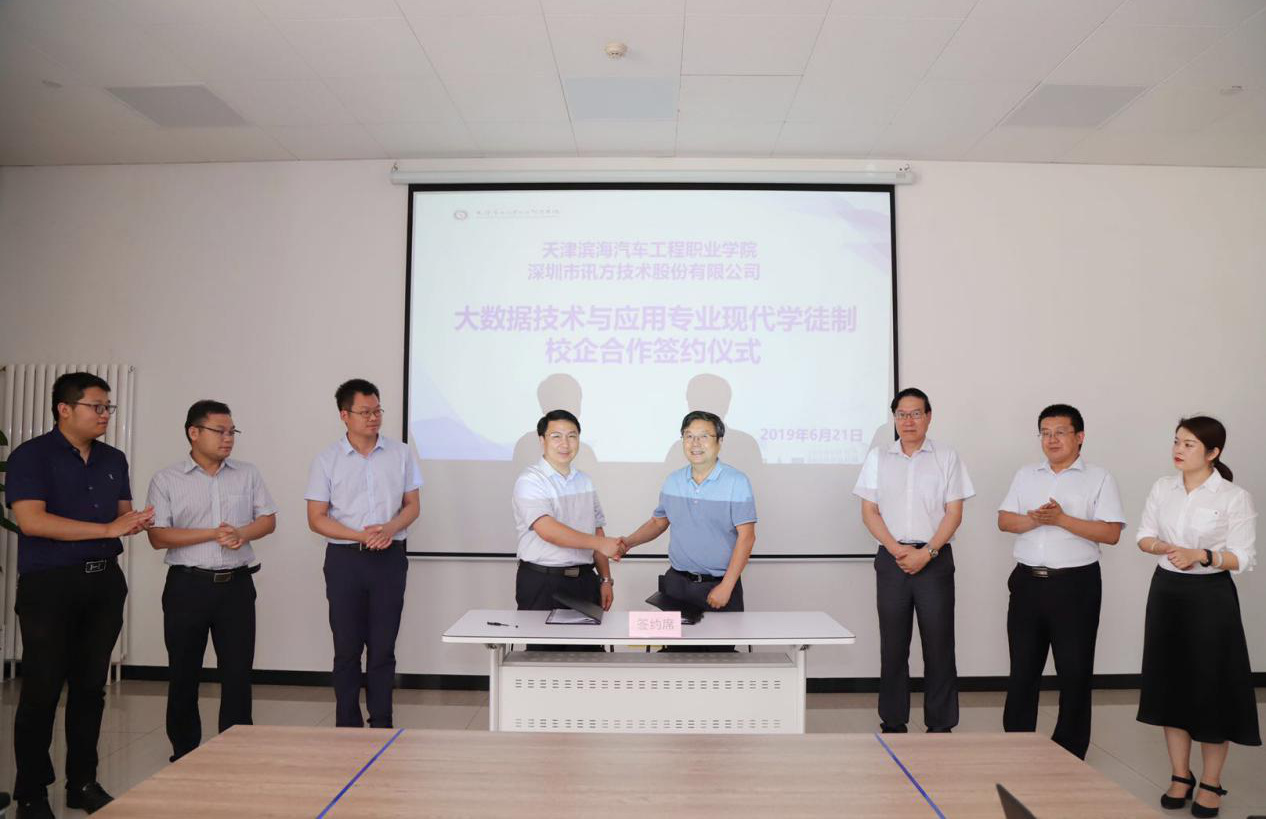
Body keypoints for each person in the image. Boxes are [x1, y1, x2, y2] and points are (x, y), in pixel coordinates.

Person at [5, 372, 154, 818]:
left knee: (91, 689)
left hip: (104, 584)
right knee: (42, 689)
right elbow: (32, 521)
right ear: (64, 409)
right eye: (97, 406)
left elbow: (122, 515)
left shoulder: (113, 458)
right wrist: (107, 529)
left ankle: (83, 783)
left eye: (109, 407)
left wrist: (137, 521)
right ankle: (31, 792)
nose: (105, 414)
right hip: (50, 585)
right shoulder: (31, 456)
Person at [1135, 417, 1259, 818]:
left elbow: (1244, 557)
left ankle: (1211, 781)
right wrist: (1165, 547)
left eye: (1189, 444)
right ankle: (1179, 775)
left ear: (1213, 453)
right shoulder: (1162, 487)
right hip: (1166, 593)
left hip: (1211, 598)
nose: (1178, 450)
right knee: (1170, 684)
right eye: (1177, 441)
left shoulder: (1234, 497)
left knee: (1211, 686)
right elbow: (1143, 536)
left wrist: (1202, 555)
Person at [145, 400, 277, 762]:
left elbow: (268, 520)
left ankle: (235, 751)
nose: (228, 438)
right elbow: (158, 536)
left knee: (237, 674)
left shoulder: (247, 474)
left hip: (236, 586)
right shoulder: (166, 479)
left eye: (232, 431)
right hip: (187, 586)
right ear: (194, 433)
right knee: (184, 673)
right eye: (220, 431)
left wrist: (242, 533)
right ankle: (184, 751)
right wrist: (211, 533)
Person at [997, 403, 1125, 759]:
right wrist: (1037, 519)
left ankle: (1070, 750)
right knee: (1022, 669)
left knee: (1074, 670)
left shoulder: (1099, 477)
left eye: (1060, 432)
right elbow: (1004, 521)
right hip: (1027, 583)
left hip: (1075, 586)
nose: (1051, 440)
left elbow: (1111, 533)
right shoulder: (1026, 475)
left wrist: (1062, 519)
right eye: (1045, 433)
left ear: (1079, 437)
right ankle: (1016, 743)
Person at [853, 387, 973, 734]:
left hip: (935, 559)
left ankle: (941, 723)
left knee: (939, 645)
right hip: (892, 560)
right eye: (901, 415)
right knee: (893, 646)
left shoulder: (947, 456)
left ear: (928, 417)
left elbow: (954, 512)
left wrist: (927, 552)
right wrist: (896, 550)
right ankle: (893, 721)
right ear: (894, 419)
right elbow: (869, 511)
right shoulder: (878, 457)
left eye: (915, 414)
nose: (908, 421)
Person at [305, 379, 421, 729]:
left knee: (383, 648)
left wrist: (389, 529)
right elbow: (316, 518)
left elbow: (412, 506)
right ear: (345, 415)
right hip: (345, 561)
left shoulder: (401, 453)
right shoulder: (327, 460)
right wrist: (361, 535)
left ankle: (382, 722)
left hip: (389, 559)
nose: (374, 418)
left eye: (377, 411)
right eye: (365, 412)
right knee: (347, 648)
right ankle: (348, 725)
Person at [620, 411, 757, 637]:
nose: (695, 443)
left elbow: (747, 537)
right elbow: (658, 522)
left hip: (718, 585)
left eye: (704, 436)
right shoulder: (673, 481)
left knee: (719, 653)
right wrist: (628, 543)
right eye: (689, 436)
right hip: (676, 584)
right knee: (675, 652)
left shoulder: (737, 482)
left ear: (719, 442)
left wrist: (726, 586)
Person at [512, 410, 620, 646]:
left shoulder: (584, 481)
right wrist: (601, 543)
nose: (565, 443)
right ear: (542, 440)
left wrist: (605, 579)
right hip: (543, 582)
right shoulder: (530, 480)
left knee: (589, 655)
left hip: (585, 581)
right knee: (544, 656)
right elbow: (548, 530)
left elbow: (597, 530)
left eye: (572, 436)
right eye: (556, 436)